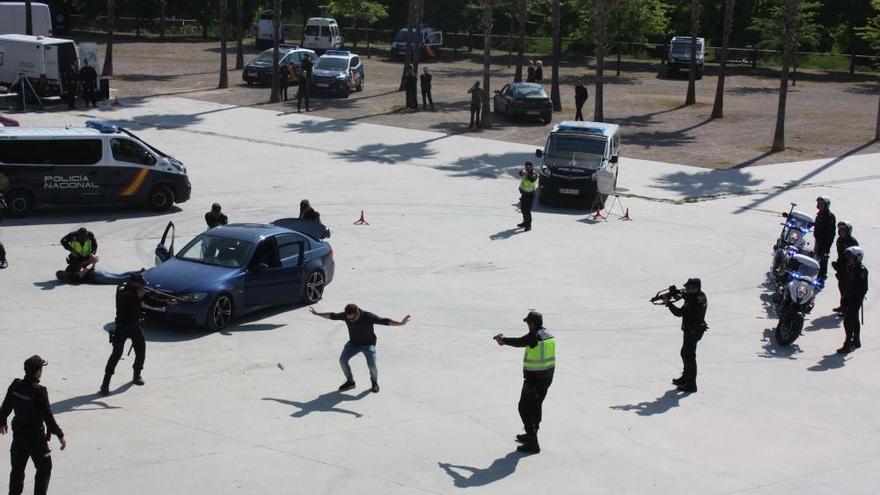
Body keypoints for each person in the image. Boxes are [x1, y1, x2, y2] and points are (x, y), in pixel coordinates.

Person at [101, 273, 176, 395]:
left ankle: (137, 375)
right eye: (140, 284)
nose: (142, 287)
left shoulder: (139, 292)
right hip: (122, 327)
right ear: (133, 283)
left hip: (135, 326)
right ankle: (105, 383)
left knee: (141, 351)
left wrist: (167, 302)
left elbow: (152, 301)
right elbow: (126, 298)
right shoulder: (122, 291)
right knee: (116, 354)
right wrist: (138, 294)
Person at [1, 355, 66, 495]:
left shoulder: (15, 385)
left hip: (18, 436)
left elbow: (6, 405)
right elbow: (48, 417)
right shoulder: (39, 391)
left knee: (17, 470)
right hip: (35, 438)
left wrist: (2, 420)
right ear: (37, 371)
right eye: (41, 368)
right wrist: (60, 435)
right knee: (44, 468)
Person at [309, 304, 411, 393]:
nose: (350, 320)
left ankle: (374, 382)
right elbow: (332, 315)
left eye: (352, 318)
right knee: (342, 361)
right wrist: (317, 313)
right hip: (353, 344)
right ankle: (350, 382)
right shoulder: (346, 315)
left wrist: (401, 323)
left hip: (368, 345)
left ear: (357, 313)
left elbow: (385, 321)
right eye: (349, 318)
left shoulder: (368, 316)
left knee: (372, 365)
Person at [493, 311, 555, 454]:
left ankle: (533, 443)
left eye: (528, 323)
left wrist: (502, 339)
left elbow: (519, 342)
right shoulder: (548, 334)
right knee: (536, 405)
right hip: (547, 378)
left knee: (524, 408)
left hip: (534, 379)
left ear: (532, 324)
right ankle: (532, 434)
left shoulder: (534, 336)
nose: (528, 326)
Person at [663, 278, 708, 393]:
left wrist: (668, 303)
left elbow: (679, 313)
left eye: (688, 288)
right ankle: (685, 378)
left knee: (689, 356)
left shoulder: (694, 302)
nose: (686, 290)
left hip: (693, 331)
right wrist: (679, 294)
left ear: (695, 288)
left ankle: (691, 384)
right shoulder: (701, 295)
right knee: (685, 354)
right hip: (694, 329)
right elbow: (686, 296)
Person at [837, 247, 868, 354]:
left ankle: (847, 343)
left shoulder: (862, 270)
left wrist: (856, 298)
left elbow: (864, 288)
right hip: (848, 296)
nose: (849, 259)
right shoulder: (851, 267)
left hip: (855, 298)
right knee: (854, 318)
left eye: (851, 257)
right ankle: (856, 340)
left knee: (847, 320)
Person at [55, 256, 142, 285]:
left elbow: (82, 273)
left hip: (95, 276)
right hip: (96, 270)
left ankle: (139, 277)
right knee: (119, 275)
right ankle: (140, 272)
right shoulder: (69, 269)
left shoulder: (71, 278)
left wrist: (91, 263)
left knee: (117, 280)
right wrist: (91, 262)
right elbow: (81, 266)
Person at [832, 221, 859, 314]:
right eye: (840, 230)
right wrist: (837, 265)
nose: (842, 232)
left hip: (849, 269)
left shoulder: (853, 242)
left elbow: (855, 257)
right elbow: (840, 255)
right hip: (841, 267)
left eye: (844, 230)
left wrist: (850, 268)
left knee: (848, 290)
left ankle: (847, 309)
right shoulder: (839, 240)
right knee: (842, 287)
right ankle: (843, 306)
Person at [813, 196, 836, 283]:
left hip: (825, 242)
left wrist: (826, 245)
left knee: (823, 258)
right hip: (818, 240)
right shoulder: (820, 214)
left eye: (821, 203)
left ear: (826, 205)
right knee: (817, 257)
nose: (819, 205)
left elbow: (831, 233)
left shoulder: (830, 217)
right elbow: (816, 224)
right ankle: (817, 275)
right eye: (818, 203)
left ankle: (822, 277)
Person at [518, 161, 538, 232]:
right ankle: (525, 222)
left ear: (532, 167)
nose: (527, 168)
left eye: (529, 167)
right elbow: (520, 173)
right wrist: (522, 172)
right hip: (524, 194)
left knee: (527, 210)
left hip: (530, 195)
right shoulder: (525, 172)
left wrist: (526, 174)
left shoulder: (534, 174)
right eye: (526, 167)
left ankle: (528, 225)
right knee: (523, 209)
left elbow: (532, 179)